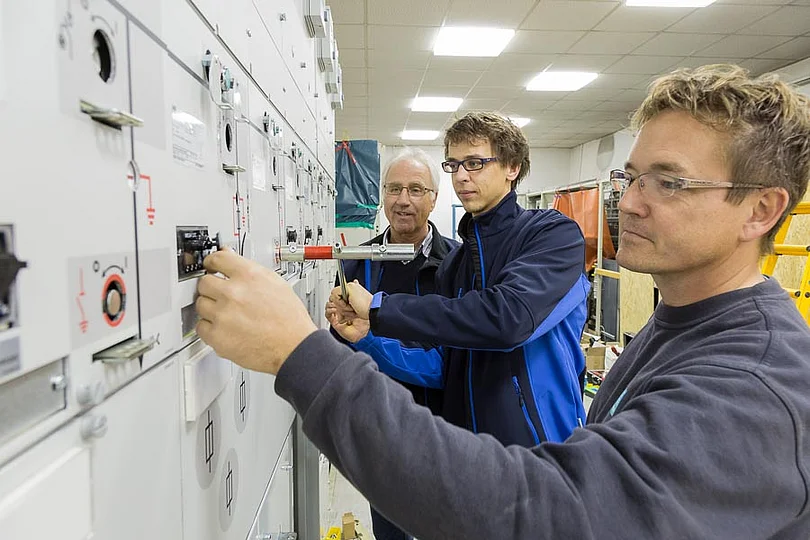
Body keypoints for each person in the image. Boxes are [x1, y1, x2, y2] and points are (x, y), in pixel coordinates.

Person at [195, 64, 810, 538]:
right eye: (632, 178)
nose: (634, 202)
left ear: (761, 209)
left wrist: (299, 353)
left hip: (529, 452)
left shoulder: (751, 383)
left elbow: (545, 509)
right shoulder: (678, 325)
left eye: (670, 182)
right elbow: (446, 362)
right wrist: (369, 343)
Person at [328, 112, 590, 449]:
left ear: (512, 167)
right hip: (467, 455)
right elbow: (441, 365)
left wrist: (380, 307)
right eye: (454, 165)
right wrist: (369, 339)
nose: (462, 176)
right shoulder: (456, 264)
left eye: (475, 163)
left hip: (540, 452)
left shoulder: (553, 235)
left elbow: (508, 319)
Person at [333, 147, 457, 540]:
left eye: (417, 189)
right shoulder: (356, 263)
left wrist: (369, 340)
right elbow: (344, 354)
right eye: (394, 188)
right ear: (382, 194)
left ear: (434, 198)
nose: (403, 200)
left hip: (442, 429)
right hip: (379, 431)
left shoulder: (457, 264)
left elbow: (449, 365)